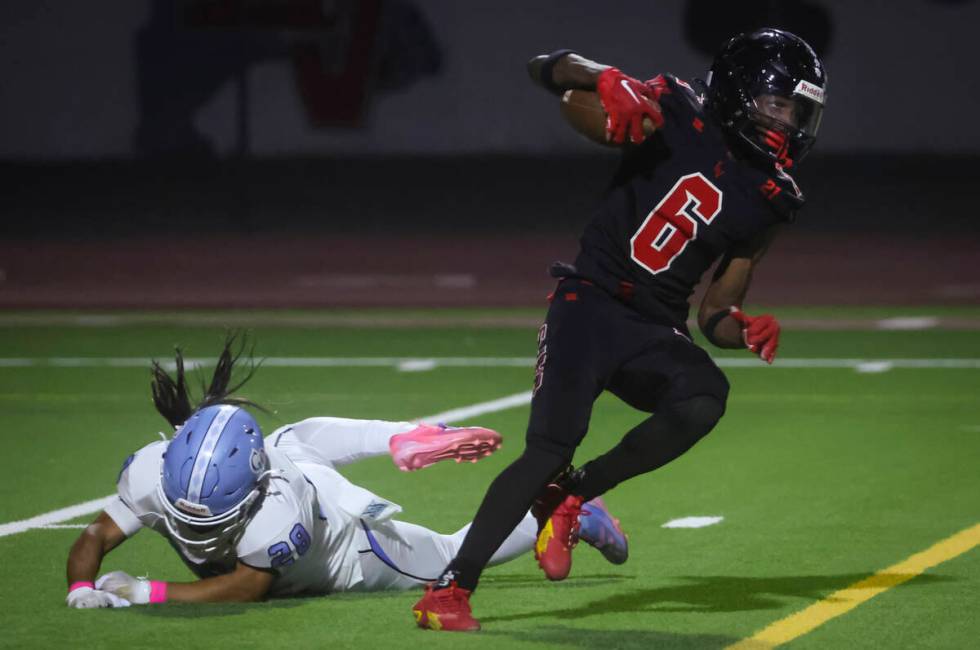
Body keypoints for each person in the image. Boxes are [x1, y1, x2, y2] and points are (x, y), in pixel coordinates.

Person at [412, 28, 827, 631]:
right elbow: (543, 68)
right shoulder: (678, 109)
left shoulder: (772, 197)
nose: (790, 124)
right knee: (548, 449)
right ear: (742, 93)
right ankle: (448, 591)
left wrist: (743, 328)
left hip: (654, 327)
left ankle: (574, 494)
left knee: (705, 396)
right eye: (781, 105)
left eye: (799, 112)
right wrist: (602, 79)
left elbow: (714, 313)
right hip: (588, 302)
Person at [65, 337, 627, 608]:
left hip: (347, 549)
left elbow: (243, 588)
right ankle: (399, 435)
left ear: (253, 491)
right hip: (290, 452)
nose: (192, 519)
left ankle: (565, 510)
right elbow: (95, 534)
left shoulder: (275, 513)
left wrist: (147, 591)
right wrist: (81, 587)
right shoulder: (151, 471)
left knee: (455, 556)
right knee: (298, 438)